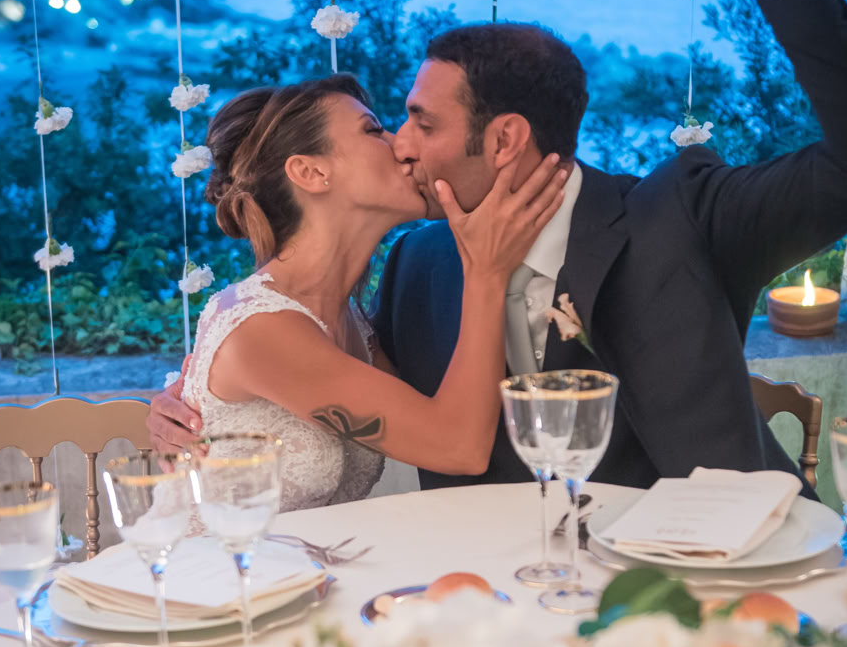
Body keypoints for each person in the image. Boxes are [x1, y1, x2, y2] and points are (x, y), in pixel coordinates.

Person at [149, 0, 847, 492]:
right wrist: (186, 413)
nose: (403, 149)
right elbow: (311, 383)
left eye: (420, 122)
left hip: (721, 578)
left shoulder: (682, 216)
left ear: (508, 138)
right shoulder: (416, 268)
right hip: (501, 610)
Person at [150, 74, 568, 508]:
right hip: (215, 569)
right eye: (373, 130)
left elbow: (436, 414)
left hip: (303, 567)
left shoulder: (354, 321)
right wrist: (487, 271)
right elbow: (458, 447)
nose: (404, 147)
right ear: (311, 172)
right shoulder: (261, 327)